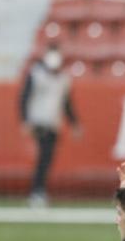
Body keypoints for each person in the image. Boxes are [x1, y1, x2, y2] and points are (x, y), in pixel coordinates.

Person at [19, 45, 81, 208]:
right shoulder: (36, 73)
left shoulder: (63, 79)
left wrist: (74, 123)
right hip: (38, 121)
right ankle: (36, 191)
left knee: (47, 159)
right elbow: (24, 97)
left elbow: (66, 103)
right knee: (43, 157)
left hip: (54, 123)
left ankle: (38, 190)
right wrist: (25, 120)